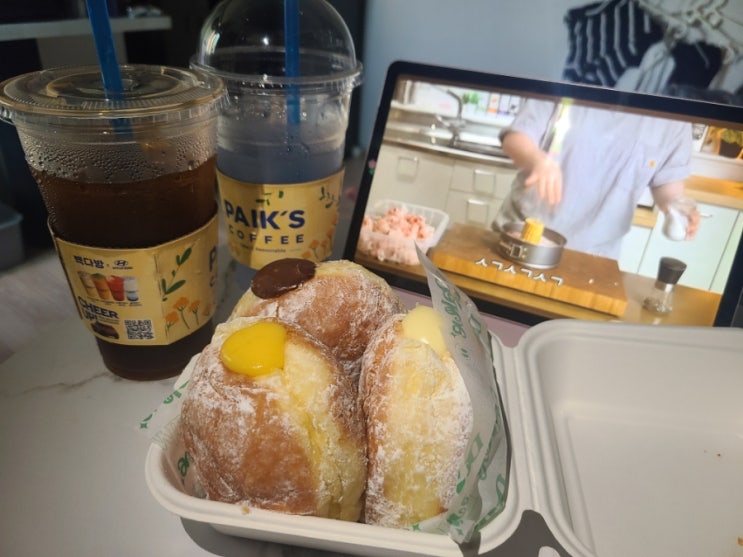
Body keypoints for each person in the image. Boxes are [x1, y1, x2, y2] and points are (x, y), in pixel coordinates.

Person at [492, 98, 701, 259]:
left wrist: (677, 205)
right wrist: (537, 159)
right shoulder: (570, 75)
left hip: (597, 253)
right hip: (522, 237)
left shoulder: (675, 116)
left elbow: (667, 180)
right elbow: (515, 138)